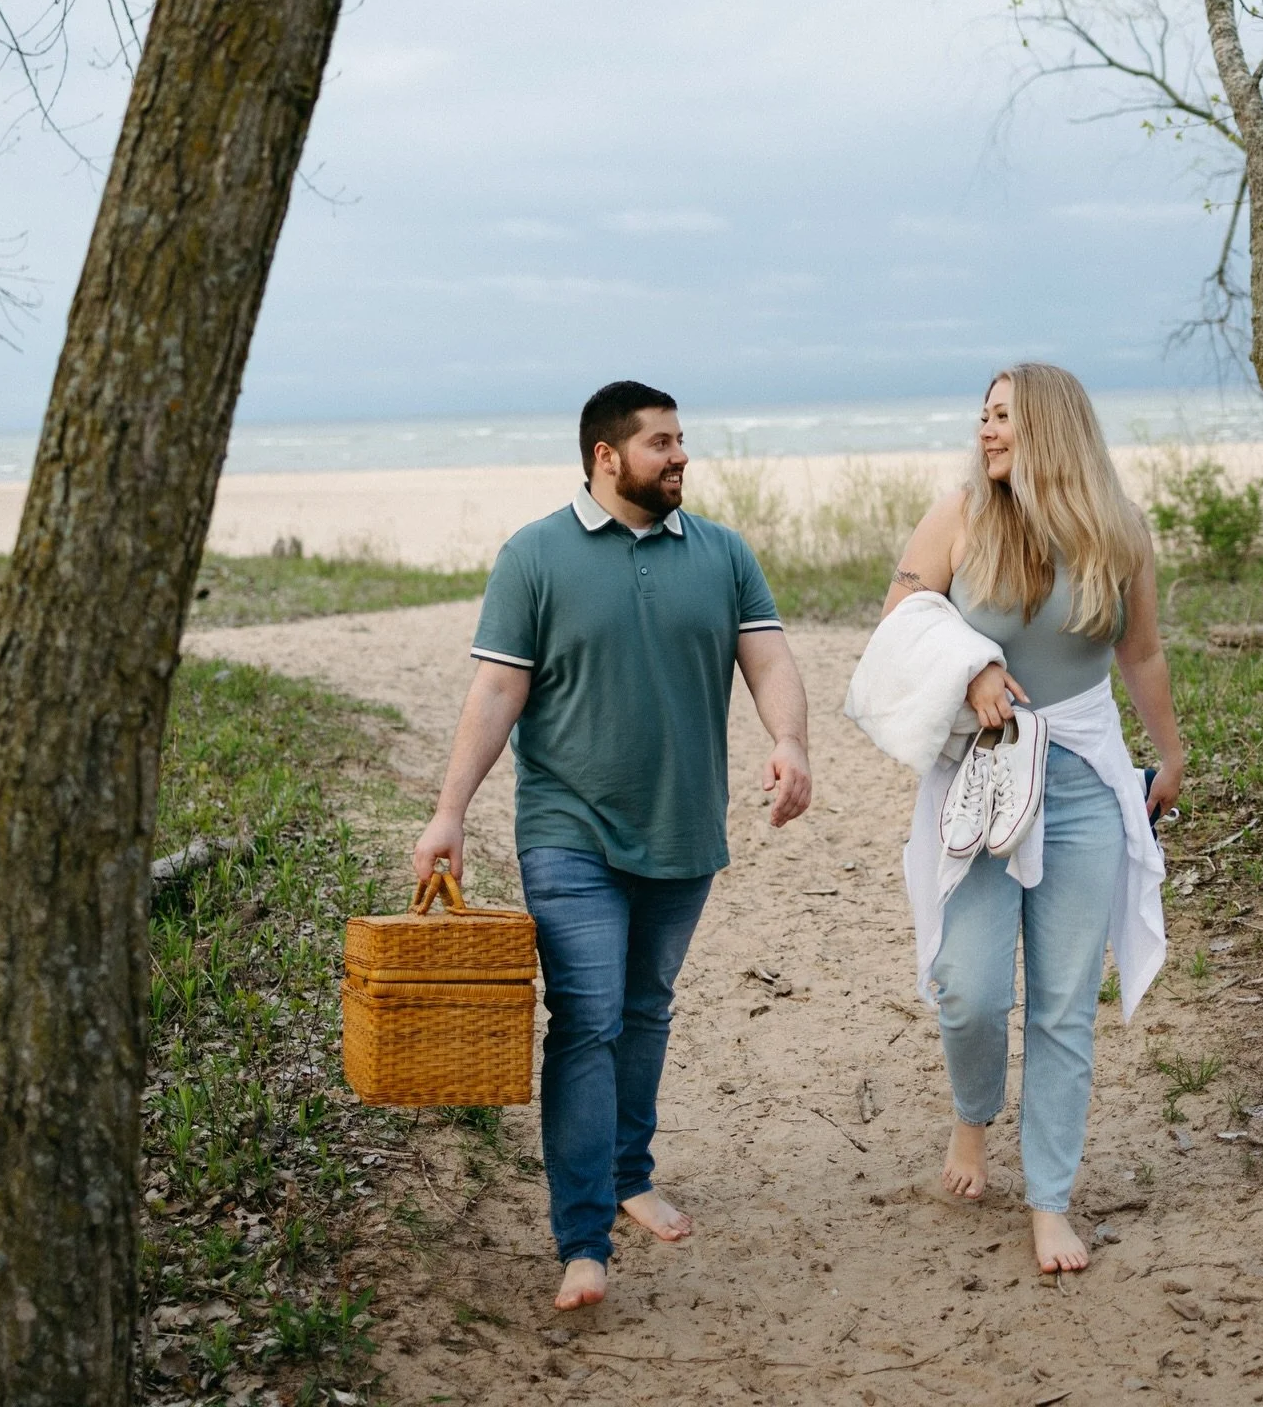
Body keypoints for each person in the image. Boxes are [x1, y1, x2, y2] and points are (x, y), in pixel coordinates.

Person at [413, 380, 812, 1311]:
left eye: (681, 441)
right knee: (587, 1019)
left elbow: (770, 661)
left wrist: (789, 743)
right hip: (568, 831)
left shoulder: (722, 553)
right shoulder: (535, 557)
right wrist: (450, 812)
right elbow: (496, 695)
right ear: (606, 456)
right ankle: (582, 1238)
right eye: (661, 443)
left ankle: (631, 1173)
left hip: (683, 830)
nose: (680, 456)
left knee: (646, 1010)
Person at [881, 362, 1183, 1275]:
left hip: (1087, 775)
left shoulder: (1119, 531)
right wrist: (972, 667)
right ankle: (973, 1119)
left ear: (1052, 425)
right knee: (972, 988)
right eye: (982, 415)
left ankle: (1050, 1199)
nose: (987, 430)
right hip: (985, 774)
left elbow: (1143, 652)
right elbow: (899, 618)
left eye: (1005, 416)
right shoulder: (963, 515)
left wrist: (1168, 755)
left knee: (1061, 1005)